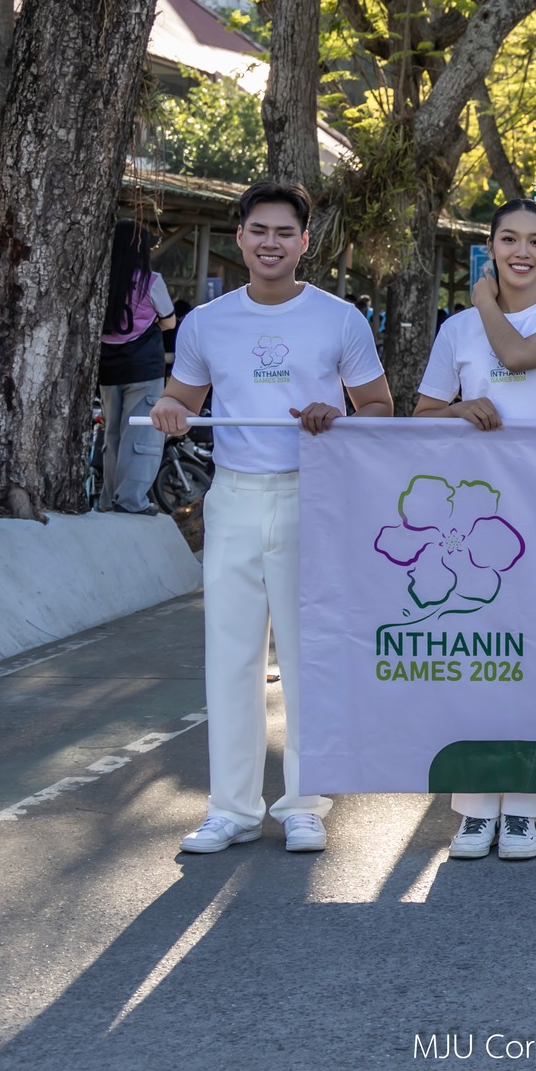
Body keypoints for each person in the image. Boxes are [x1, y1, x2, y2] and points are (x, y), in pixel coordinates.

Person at [151, 181, 393, 855]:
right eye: (259, 230)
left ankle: (304, 804)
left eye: (285, 232)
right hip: (231, 497)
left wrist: (335, 415)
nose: (270, 243)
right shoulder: (206, 322)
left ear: (305, 242)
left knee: (307, 657)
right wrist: (170, 409)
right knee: (230, 656)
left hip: (312, 496)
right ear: (240, 236)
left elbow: (378, 406)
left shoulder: (339, 318)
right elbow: (180, 397)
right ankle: (230, 809)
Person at [415, 198, 536, 861]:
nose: (522, 251)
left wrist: (484, 298)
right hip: (467, 525)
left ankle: (523, 808)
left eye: (535, 242)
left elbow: (514, 356)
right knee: (477, 657)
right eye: (508, 239)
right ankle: (473, 807)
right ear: (490, 246)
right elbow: (423, 414)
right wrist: (460, 410)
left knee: (535, 659)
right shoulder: (456, 330)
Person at [98, 221, 178, 513]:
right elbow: (169, 321)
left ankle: (109, 499)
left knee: (112, 435)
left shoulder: (101, 278)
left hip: (107, 367)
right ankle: (131, 501)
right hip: (143, 367)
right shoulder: (151, 280)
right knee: (140, 434)